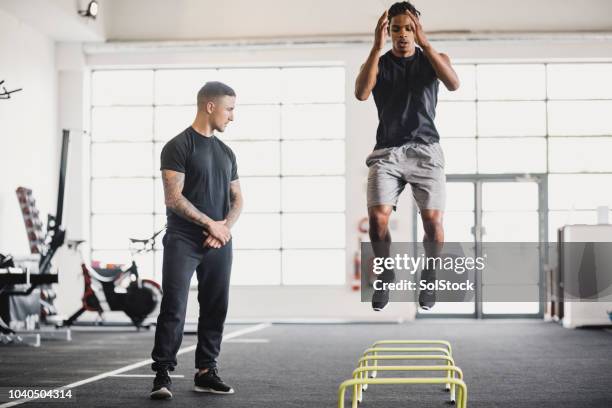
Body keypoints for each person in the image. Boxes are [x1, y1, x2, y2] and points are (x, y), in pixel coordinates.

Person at [354, 1, 460, 311]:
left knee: (432, 220)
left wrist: (426, 44)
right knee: (377, 219)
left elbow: (453, 84)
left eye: (409, 28)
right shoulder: (378, 62)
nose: (403, 34)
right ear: (388, 32)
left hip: (426, 150)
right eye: (396, 28)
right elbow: (361, 93)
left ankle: (429, 276)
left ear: (417, 30)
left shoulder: (433, 60)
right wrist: (376, 46)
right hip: (387, 152)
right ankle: (386, 274)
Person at [149, 81, 243, 399]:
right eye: (229, 109)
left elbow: (238, 199)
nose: (232, 117)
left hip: (218, 241)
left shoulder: (227, 153)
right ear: (210, 107)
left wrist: (223, 228)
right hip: (183, 240)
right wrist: (210, 225)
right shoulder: (178, 146)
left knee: (216, 306)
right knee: (174, 306)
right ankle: (162, 374)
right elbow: (173, 199)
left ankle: (206, 371)